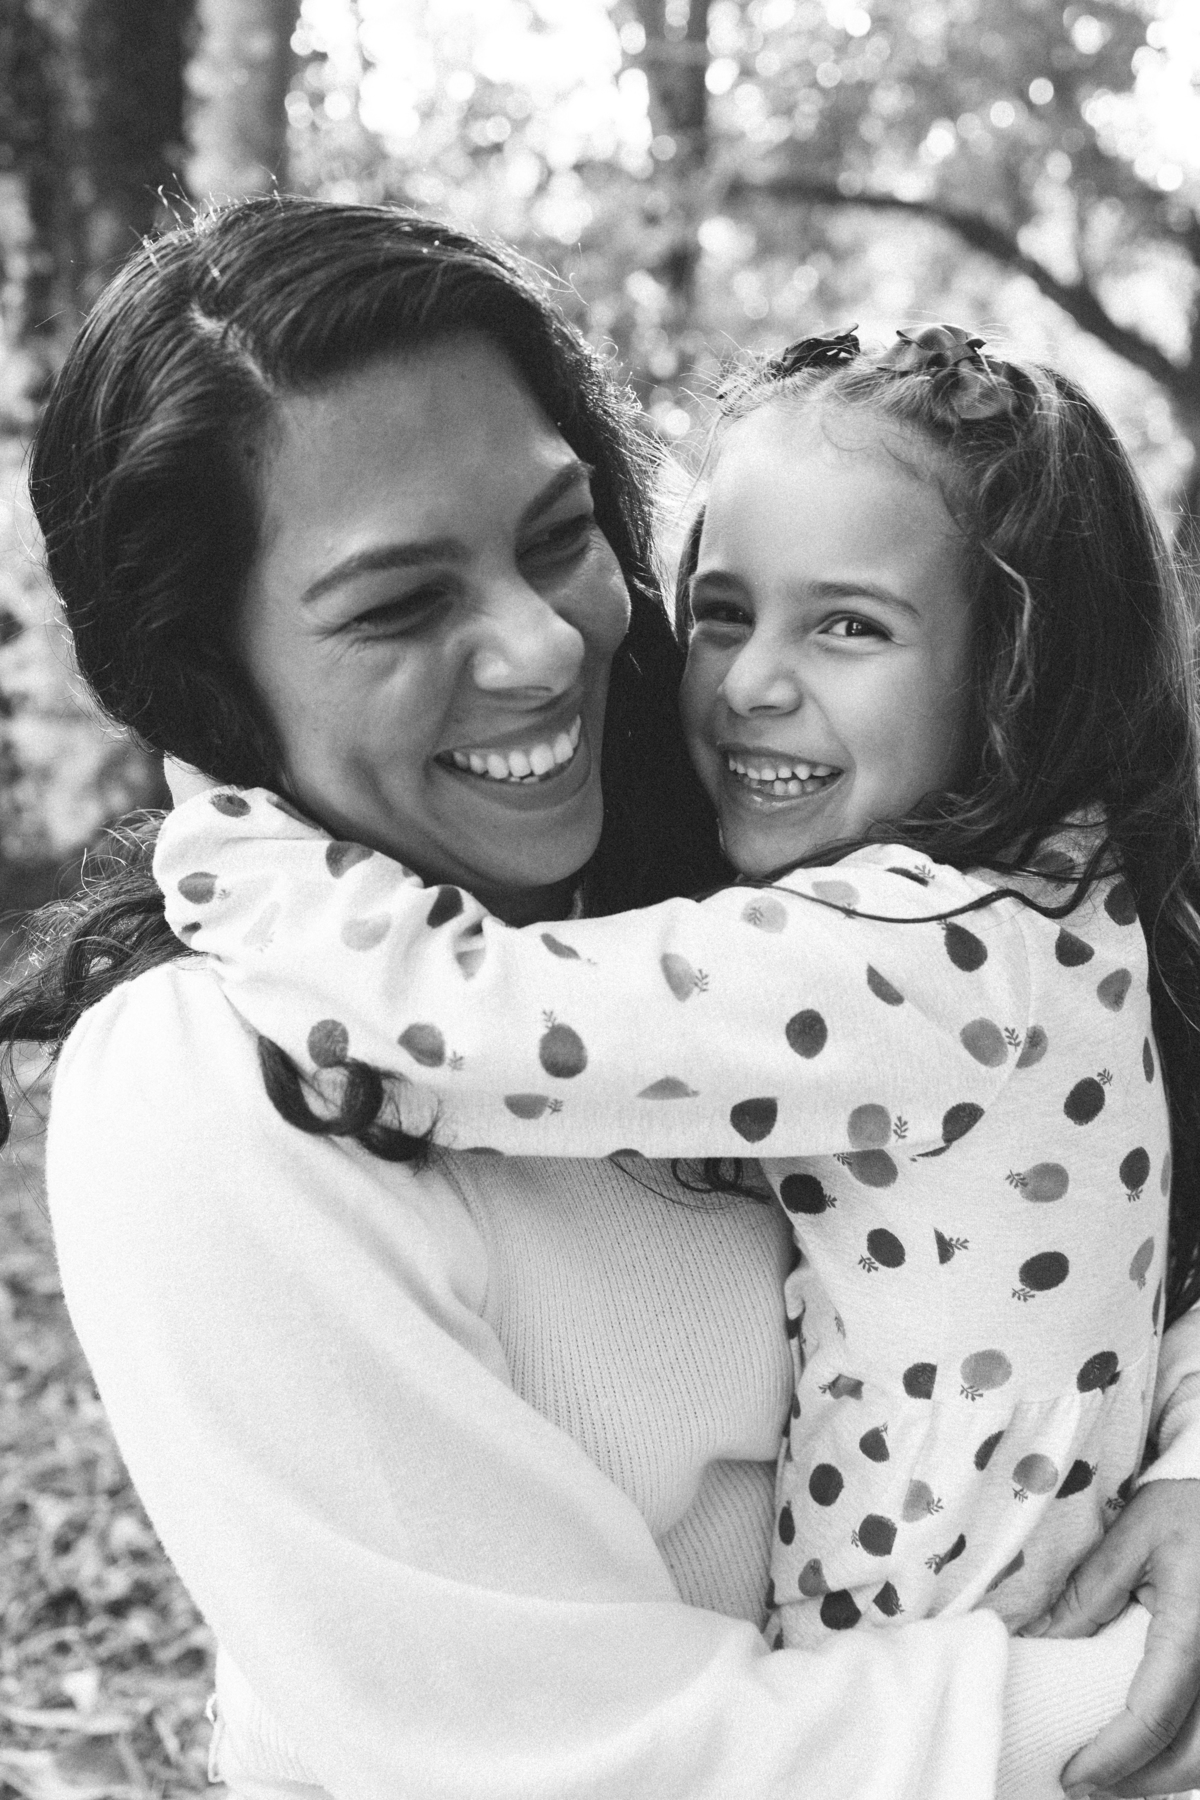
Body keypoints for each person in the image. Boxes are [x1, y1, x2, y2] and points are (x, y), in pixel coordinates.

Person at [4, 196, 1200, 1800]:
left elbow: (1134, 1198)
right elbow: (577, 1766)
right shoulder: (214, 1084)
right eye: (398, 603)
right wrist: (1142, 1708)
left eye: (558, 535)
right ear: (202, 674)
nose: (540, 645)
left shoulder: (761, 890)